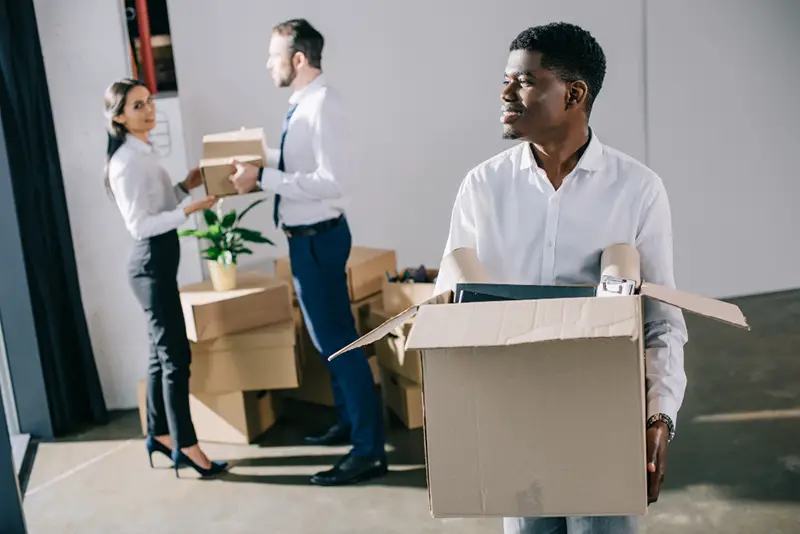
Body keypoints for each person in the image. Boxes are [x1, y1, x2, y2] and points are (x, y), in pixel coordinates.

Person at [434, 23, 688, 534]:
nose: (505, 92)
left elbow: (661, 321)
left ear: (574, 93)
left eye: (524, 81)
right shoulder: (483, 187)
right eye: (505, 79)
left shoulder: (637, 189)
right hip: (514, 421)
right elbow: (450, 305)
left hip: (604, 422)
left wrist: (659, 417)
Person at [229, 19, 387, 486]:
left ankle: (368, 450)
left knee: (339, 342)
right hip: (308, 240)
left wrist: (261, 179)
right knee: (329, 341)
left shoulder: (323, 105)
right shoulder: (304, 104)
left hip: (318, 239)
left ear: (298, 59)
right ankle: (349, 422)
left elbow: (333, 182)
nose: (267, 63)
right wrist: (265, 160)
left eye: (273, 55)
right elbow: (304, 165)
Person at [104, 78, 228, 478]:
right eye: (138, 106)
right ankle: (187, 446)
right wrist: (189, 210)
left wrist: (183, 187)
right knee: (176, 357)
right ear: (119, 117)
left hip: (157, 266)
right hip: (149, 267)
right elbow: (140, 225)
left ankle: (159, 435)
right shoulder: (124, 162)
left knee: (161, 355)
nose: (149, 109)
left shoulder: (142, 152)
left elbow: (157, 204)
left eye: (150, 101)